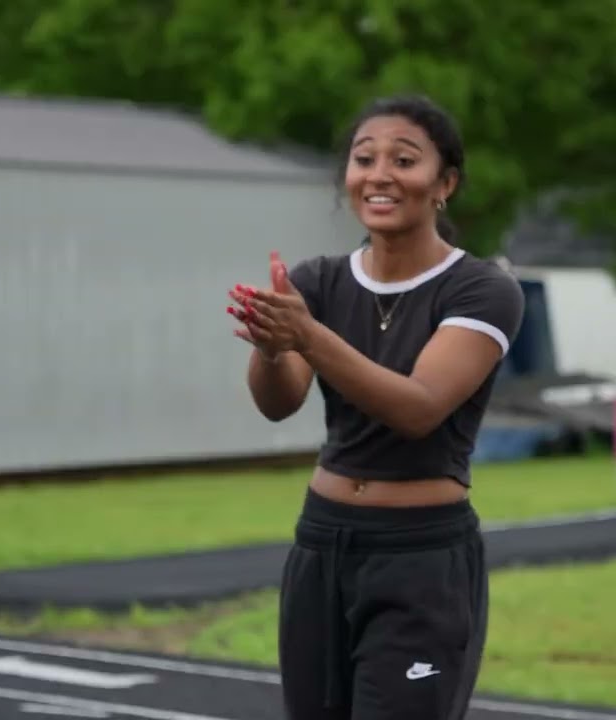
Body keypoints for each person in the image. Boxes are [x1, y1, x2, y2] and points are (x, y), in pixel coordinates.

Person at [225, 95, 525, 719]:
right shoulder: (318, 282)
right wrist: (273, 346)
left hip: (420, 556)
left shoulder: (482, 289)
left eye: (405, 160)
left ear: (445, 184)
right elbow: (278, 404)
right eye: (365, 159)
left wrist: (307, 334)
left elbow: (418, 408)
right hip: (321, 543)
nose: (380, 174)